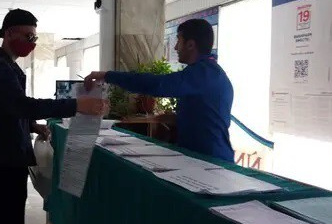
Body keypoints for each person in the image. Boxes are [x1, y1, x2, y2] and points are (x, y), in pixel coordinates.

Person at [0, 8, 107, 224]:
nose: (32, 43)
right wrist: (76, 105)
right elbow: (21, 105)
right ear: (10, 33)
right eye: (29, 36)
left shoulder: (6, 66)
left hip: (3, 153)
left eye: (35, 38)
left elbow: (6, 109)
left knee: (8, 221)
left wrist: (31, 126)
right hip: (2, 158)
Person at [85, 19, 234, 162]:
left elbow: (156, 85)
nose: (175, 47)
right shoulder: (208, 72)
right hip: (201, 156)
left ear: (190, 45)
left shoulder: (203, 74)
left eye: (178, 40)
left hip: (211, 160)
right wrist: (177, 118)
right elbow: (208, 117)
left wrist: (106, 75)